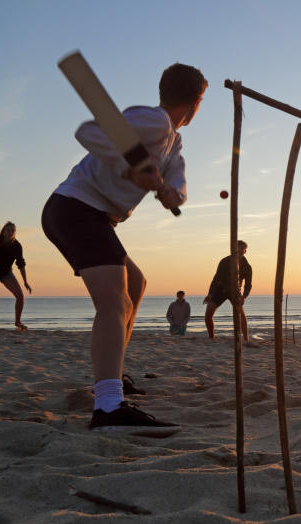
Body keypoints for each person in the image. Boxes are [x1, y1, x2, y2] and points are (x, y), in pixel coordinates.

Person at [41, 61, 207, 434]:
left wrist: (166, 190)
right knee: (115, 302)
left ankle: (112, 377)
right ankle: (109, 409)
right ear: (196, 102)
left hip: (93, 216)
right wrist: (128, 167)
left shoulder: (173, 143)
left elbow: (178, 190)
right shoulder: (154, 121)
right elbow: (89, 132)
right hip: (74, 208)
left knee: (136, 285)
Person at [203, 240, 254, 345]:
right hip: (220, 289)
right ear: (233, 249)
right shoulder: (225, 261)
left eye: (242, 249)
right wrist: (210, 294)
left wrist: (244, 297)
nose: (239, 250)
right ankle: (211, 337)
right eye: (237, 248)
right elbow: (216, 279)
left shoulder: (247, 266)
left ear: (245, 251)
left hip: (235, 291)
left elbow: (248, 285)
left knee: (240, 313)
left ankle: (246, 339)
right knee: (209, 313)